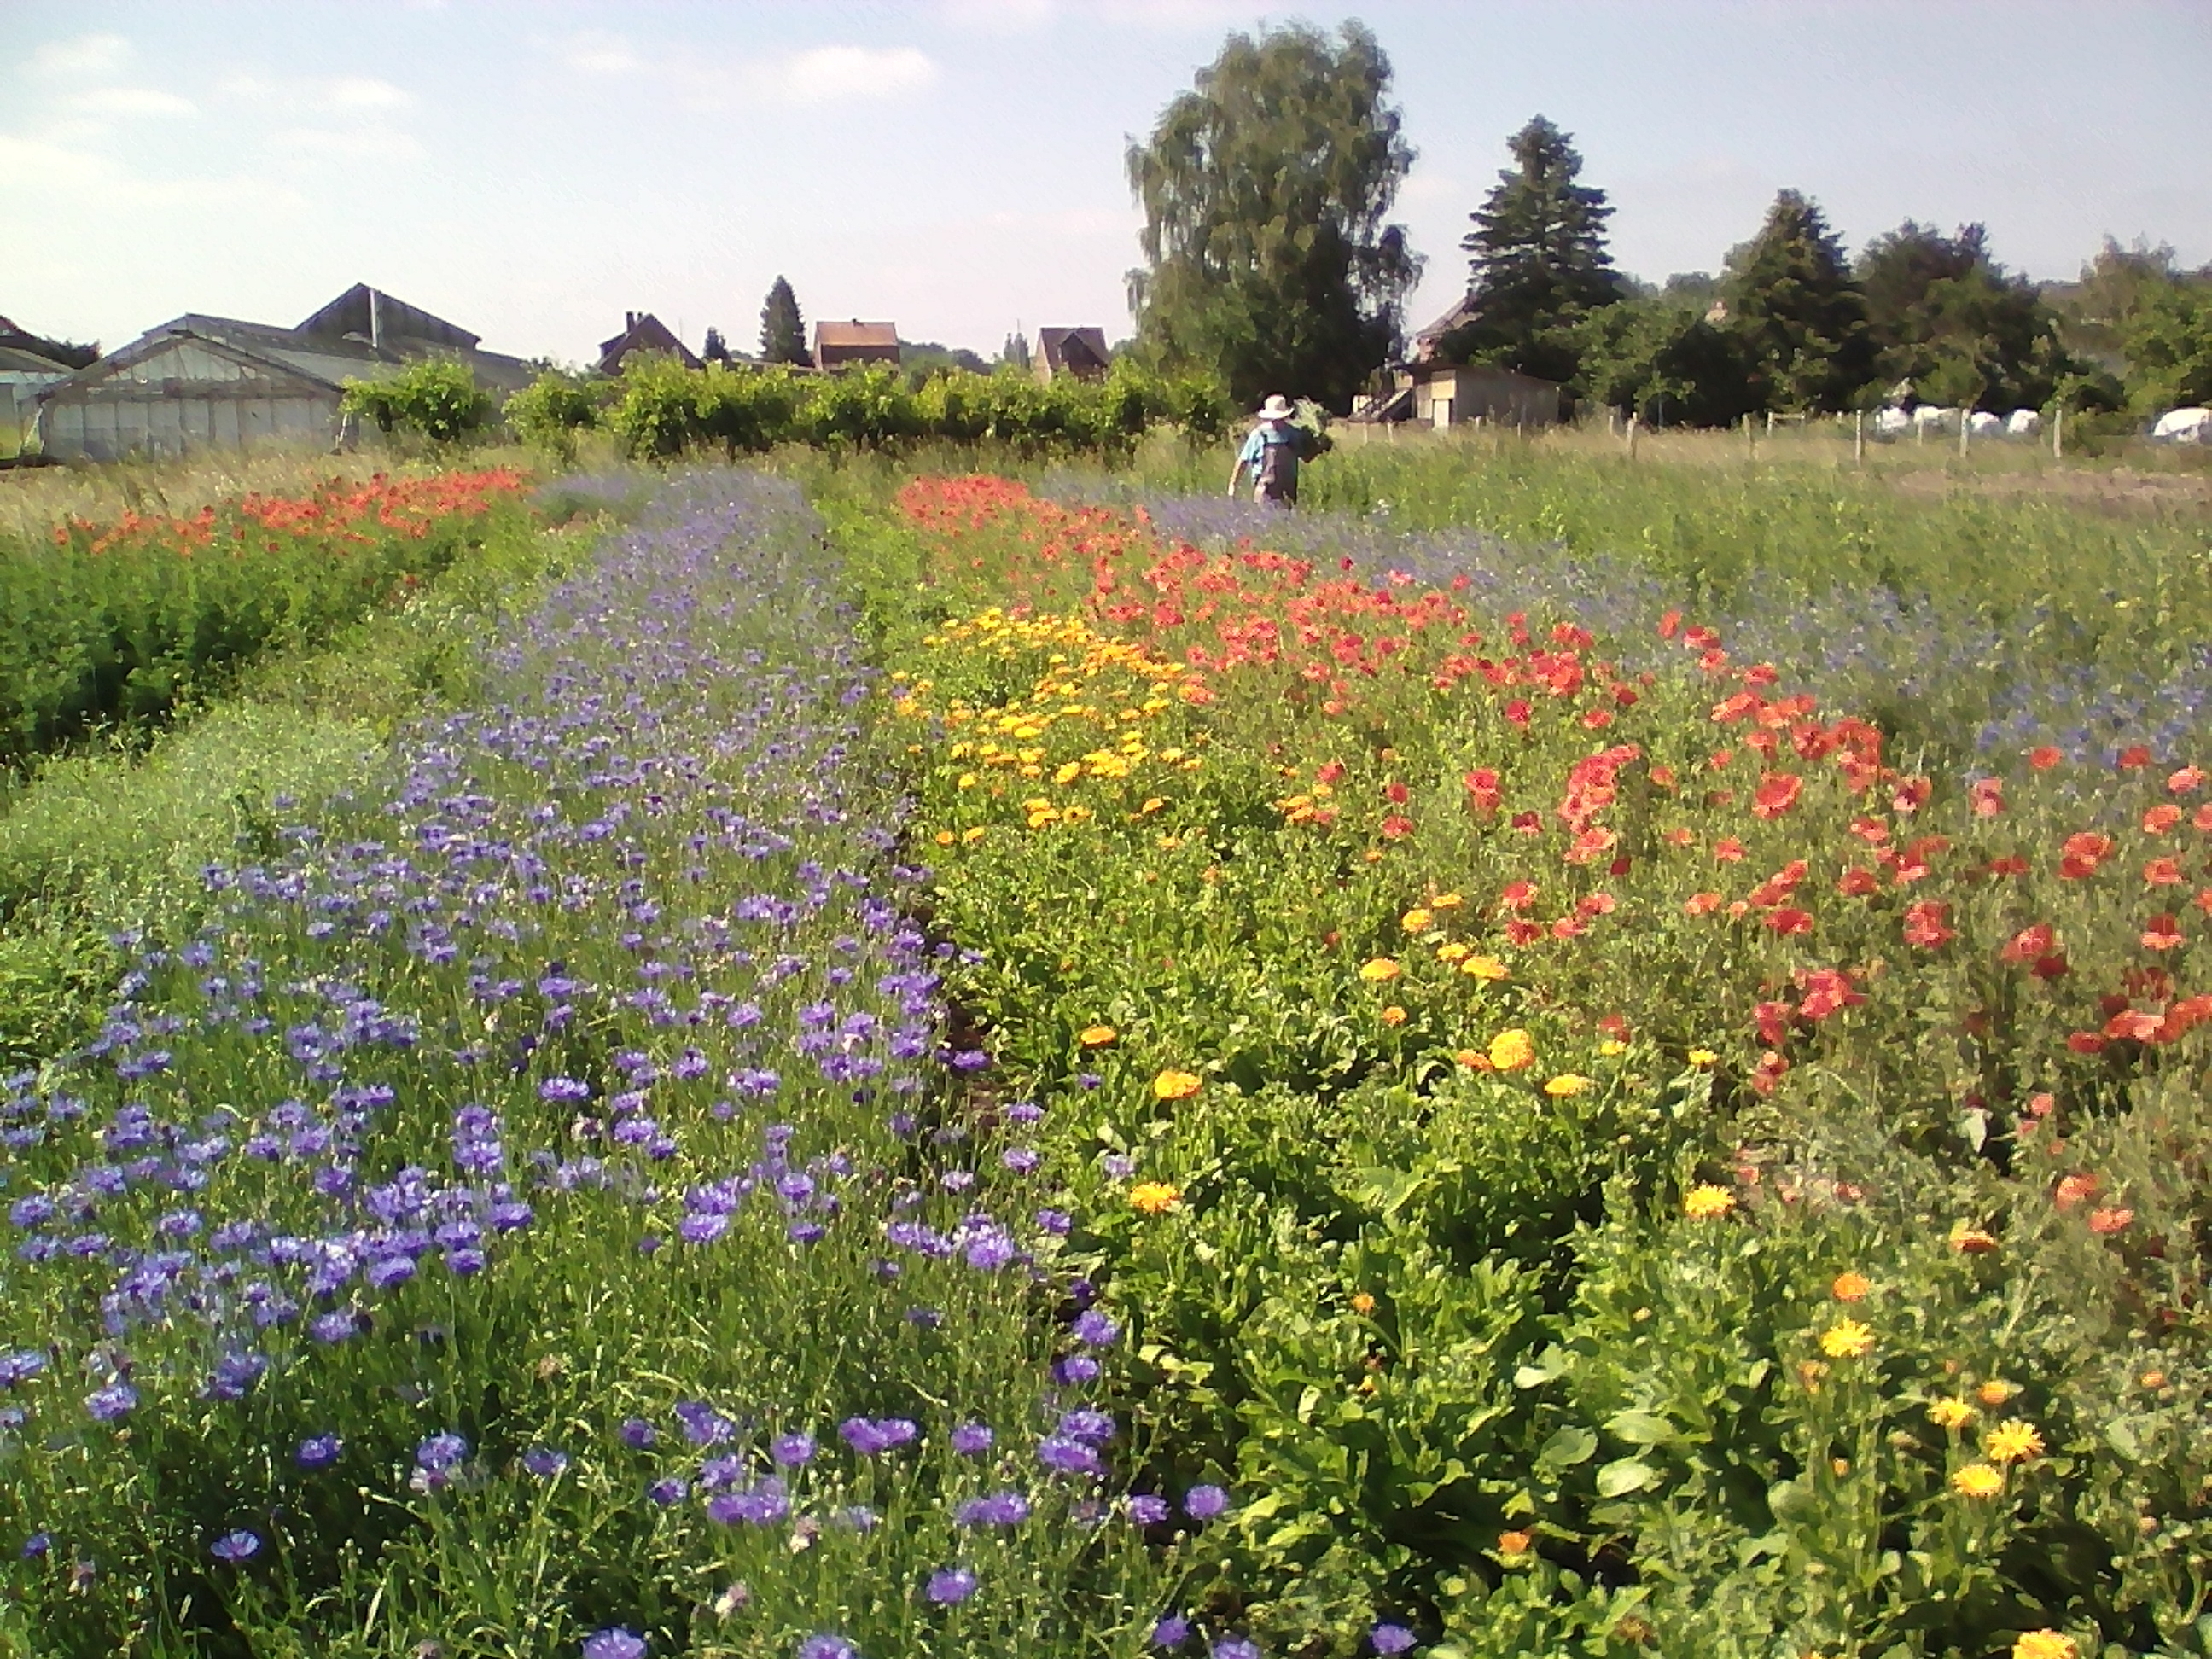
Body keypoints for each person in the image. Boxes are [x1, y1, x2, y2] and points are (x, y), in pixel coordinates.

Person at [1229, 393, 1318, 507]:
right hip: (1264, 491)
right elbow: (1243, 461)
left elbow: (1306, 456)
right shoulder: (1259, 435)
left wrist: (1316, 445)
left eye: (1280, 418)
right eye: (1274, 419)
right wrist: (1233, 485)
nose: (1277, 421)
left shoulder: (1293, 434)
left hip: (1288, 491)